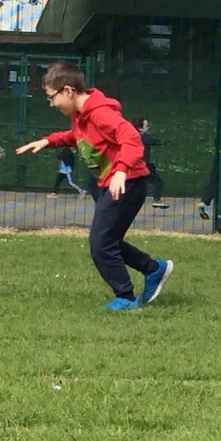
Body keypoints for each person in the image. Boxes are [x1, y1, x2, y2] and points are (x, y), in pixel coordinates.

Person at [16, 60, 173, 311]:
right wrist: (49, 141)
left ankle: (127, 297)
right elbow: (77, 137)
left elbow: (131, 137)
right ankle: (153, 268)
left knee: (100, 243)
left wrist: (121, 171)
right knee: (108, 241)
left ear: (67, 91)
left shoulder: (99, 113)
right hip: (115, 183)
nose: (52, 103)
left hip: (127, 183)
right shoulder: (81, 115)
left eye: (51, 97)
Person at [130, 116, 169, 209]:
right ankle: (157, 200)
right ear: (140, 128)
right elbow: (155, 142)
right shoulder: (144, 137)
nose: (148, 128)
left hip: (133, 166)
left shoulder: (130, 136)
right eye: (146, 126)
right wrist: (164, 142)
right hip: (144, 166)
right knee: (158, 182)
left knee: (135, 185)